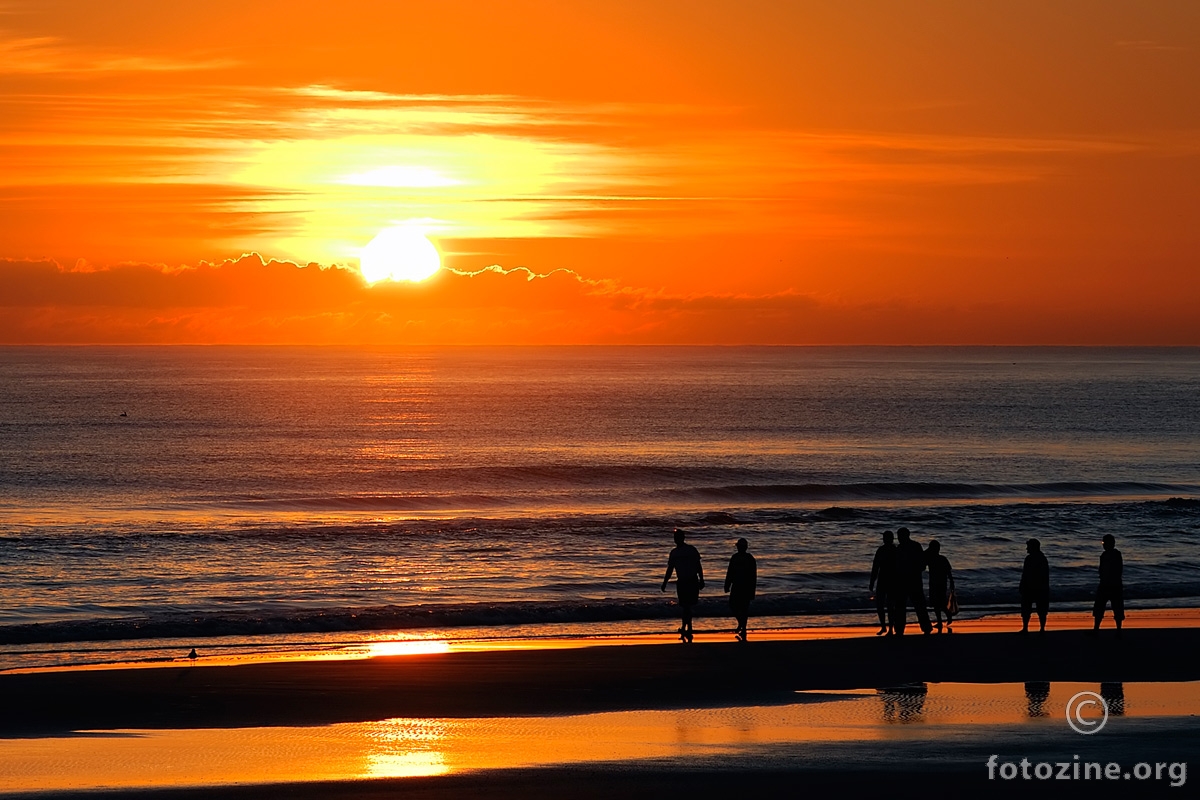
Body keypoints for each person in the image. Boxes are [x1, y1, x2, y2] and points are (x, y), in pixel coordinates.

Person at [661, 528, 704, 642]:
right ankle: (687, 627)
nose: (676, 540)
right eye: (675, 538)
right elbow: (670, 569)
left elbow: (698, 566)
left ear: (682, 538)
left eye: (677, 538)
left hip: (690, 581)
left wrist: (702, 579)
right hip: (684, 581)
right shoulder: (678, 552)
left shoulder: (688, 551)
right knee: (686, 606)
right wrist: (665, 582)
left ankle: (687, 627)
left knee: (686, 606)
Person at [895, 528, 932, 635]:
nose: (899, 538)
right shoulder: (914, 546)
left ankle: (899, 629)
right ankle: (925, 628)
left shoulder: (901, 548)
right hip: (912, 580)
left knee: (902, 606)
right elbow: (922, 565)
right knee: (918, 605)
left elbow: (897, 566)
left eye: (899, 536)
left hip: (907, 581)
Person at [724, 537, 757, 641]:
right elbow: (730, 572)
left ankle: (743, 627)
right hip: (740, 586)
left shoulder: (748, 558)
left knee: (742, 608)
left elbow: (753, 575)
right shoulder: (736, 558)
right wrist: (727, 584)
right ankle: (742, 624)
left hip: (743, 586)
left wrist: (727, 584)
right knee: (735, 606)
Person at [1093, 534, 1124, 634]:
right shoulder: (1116, 554)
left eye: (1103, 543)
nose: (1103, 545)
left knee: (1100, 607)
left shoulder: (1106, 555)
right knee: (1116, 607)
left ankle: (1096, 629)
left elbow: (1105, 570)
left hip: (1107, 584)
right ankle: (1118, 630)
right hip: (1115, 584)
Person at [869, 530, 898, 635]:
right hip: (884, 580)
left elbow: (875, 567)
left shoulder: (893, 550)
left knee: (889, 605)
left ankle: (889, 628)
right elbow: (875, 566)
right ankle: (885, 627)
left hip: (891, 580)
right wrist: (872, 581)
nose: (884, 539)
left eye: (886, 537)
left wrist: (872, 581)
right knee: (881, 604)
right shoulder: (883, 550)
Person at [1019, 538, 1050, 633]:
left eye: (1028, 547)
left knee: (1035, 609)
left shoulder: (1036, 559)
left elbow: (1026, 574)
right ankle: (1037, 629)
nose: (1026, 549)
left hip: (1036, 587)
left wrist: (1023, 585)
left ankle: (1032, 628)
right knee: (1034, 609)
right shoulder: (1040, 558)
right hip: (1036, 587)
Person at [926, 540, 955, 633]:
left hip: (938, 583)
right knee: (936, 603)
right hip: (938, 583)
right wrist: (951, 581)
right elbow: (949, 572)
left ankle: (947, 616)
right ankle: (941, 620)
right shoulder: (938, 559)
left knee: (939, 603)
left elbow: (948, 572)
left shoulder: (933, 559)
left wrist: (951, 581)